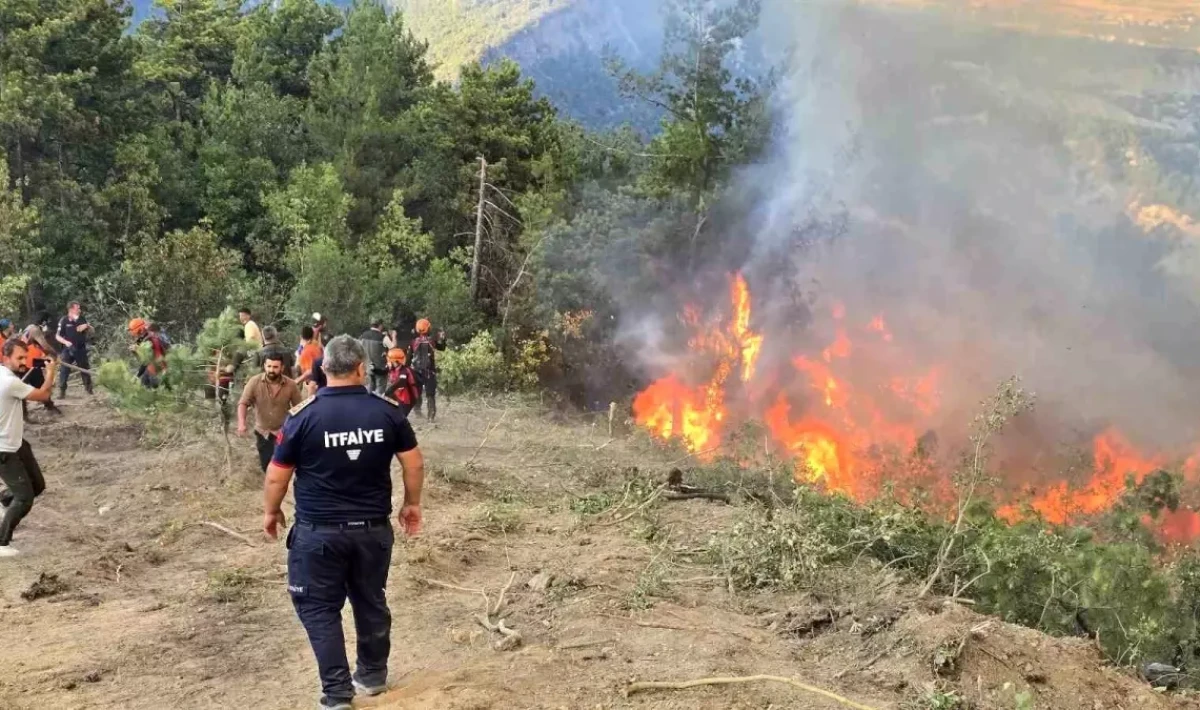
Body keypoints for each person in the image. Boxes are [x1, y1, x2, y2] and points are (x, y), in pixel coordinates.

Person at [263, 335, 424, 710]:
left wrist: (271, 512)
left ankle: (336, 694)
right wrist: (412, 504)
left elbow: (276, 475)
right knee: (370, 599)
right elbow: (413, 463)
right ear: (361, 369)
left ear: (323, 368)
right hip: (373, 531)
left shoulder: (303, 416)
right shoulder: (387, 412)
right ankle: (372, 675)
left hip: (318, 535)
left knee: (318, 608)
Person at [0, 339, 59, 556]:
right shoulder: (9, 383)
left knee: (37, 485)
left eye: (25, 357)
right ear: (6, 358)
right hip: (4, 448)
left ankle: (5, 501)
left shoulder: (5, 376)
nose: (23, 362)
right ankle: (1, 542)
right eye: (19, 358)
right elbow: (44, 396)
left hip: (17, 443)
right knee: (25, 498)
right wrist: (50, 371)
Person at [238, 354, 302, 473]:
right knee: (266, 466)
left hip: (284, 432)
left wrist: (297, 428)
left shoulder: (291, 385)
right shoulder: (254, 382)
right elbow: (243, 403)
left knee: (284, 466)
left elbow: (299, 408)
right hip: (263, 432)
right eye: (269, 366)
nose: (271, 370)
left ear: (282, 368)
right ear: (264, 366)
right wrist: (242, 423)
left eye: (275, 367)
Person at [18, 314, 62, 418]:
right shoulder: (35, 330)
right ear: (43, 323)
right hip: (30, 362)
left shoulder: (28, 328)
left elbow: (38, 346)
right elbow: (44, 345)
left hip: (24, 360)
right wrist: (55, 354)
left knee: (22, 386)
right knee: (41, 384)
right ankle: (49, 406)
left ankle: (24, 413)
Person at [408, 319, 447, 422]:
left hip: (416, 371)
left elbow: (408, 359)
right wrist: (443, 338)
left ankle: (417, 412)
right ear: (428, 328)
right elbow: (442, 348)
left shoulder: (413, 342)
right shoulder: (432, 341)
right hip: (429, 372)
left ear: (417, 329)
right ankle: (431, 416)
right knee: (430, 394)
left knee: (417, 392)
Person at [55, 301, 94, 397]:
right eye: (77, 308)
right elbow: (57, 336)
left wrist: (88, 326)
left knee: (84, 368)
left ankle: (89, 390)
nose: (79, 310)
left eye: (79, 308)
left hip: (80, 348)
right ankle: (62, 391)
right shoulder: (64, 320)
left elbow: (91, 331)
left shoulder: (82, 319)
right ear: (71, 309)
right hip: (68, 348)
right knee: (64, 369)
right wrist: (65, 342)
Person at [129, 319, 170, 388]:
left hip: (163, 364)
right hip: (156, 363)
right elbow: (145, 360)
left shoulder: (154, 337)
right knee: (145, 380)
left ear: (141, 330)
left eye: (137, 334)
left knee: (150, 381)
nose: (137, 336)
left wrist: (164, 371)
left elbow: (156, 356)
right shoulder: (144, 335)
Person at [384, 348, 420, 416]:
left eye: (389, 361)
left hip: (407, 399)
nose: (388, 363)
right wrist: (375, 369)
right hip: (398, 396)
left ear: (395, 361)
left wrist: (390, 390)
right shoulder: (393, 368)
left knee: (401, 417)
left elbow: (401, 382)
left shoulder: (404, 371)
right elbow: (383, 371)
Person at [359, 320, 388, 396]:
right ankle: (379, 405)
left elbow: (358, 348)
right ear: (380, 326)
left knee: (369, 388)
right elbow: (392, 346)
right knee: (380, 389)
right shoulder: (382, 337)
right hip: (380, 367)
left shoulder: (363, 335)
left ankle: (368, 405)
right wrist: (394, 336)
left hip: (367, 366)